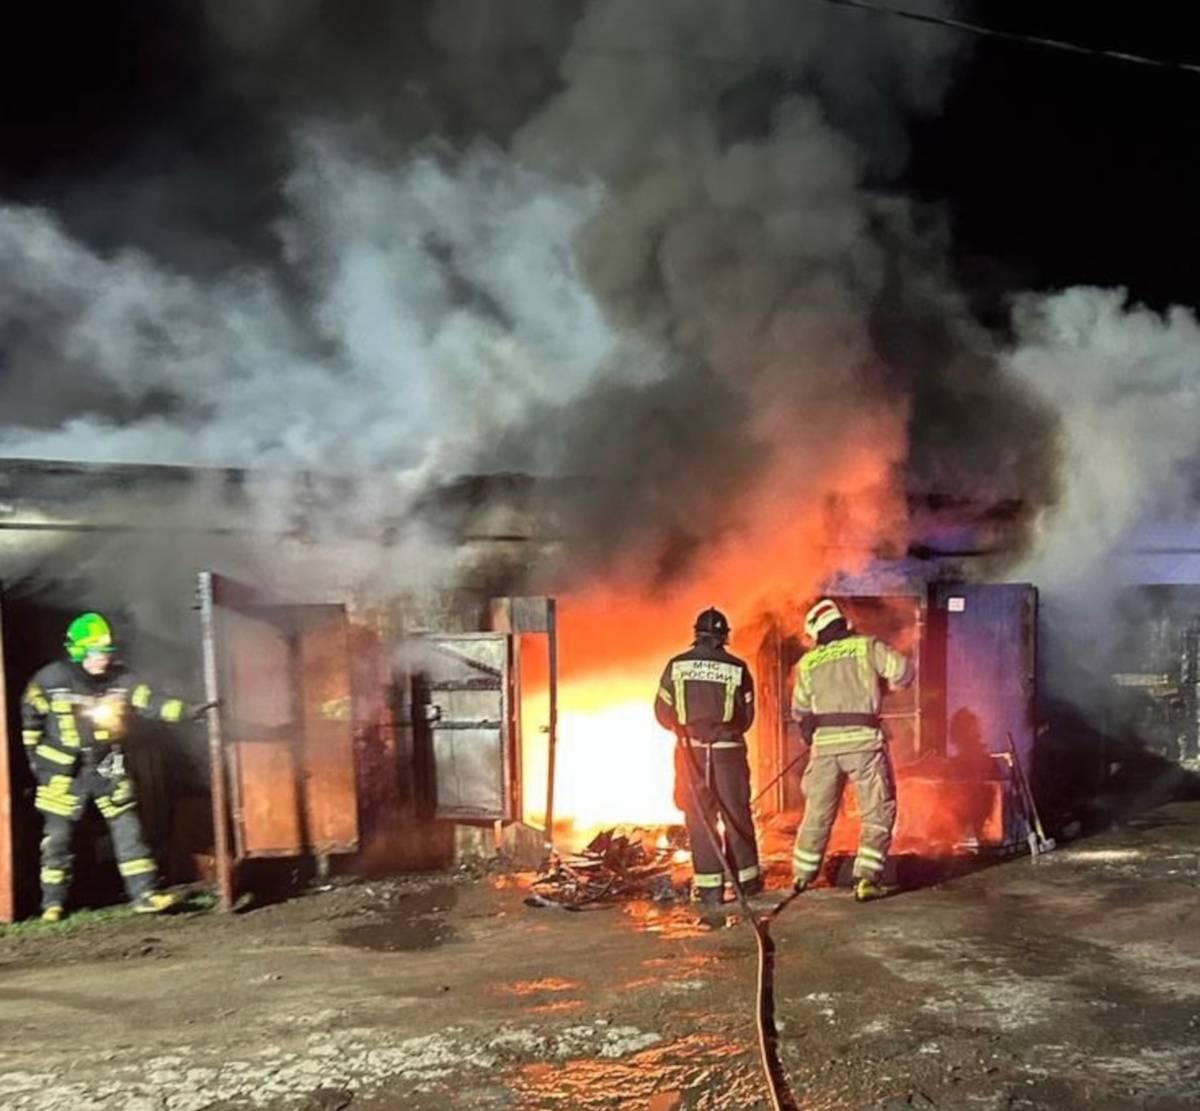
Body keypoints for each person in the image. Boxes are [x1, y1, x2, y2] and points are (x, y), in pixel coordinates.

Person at [21, 612, 209, 922]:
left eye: (106, 652)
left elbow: (151, 703)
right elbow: (30, 719)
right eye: (95, 652)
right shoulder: (50, 679)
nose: (102, 659)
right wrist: (38, 762)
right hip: (62, 773)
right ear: (78, 651)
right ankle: (52, 905)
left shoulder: (123, 679)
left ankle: (144, 895)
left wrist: (188, 711)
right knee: (58, 838)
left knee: (128, 829)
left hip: (108, 765)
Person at [791, 598, 913, 902]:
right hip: (864, 744)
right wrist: (886, 686)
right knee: (877, 810)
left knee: (817, 813)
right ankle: (867, 879)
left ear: (815, 631)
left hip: (825, 749)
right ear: (841, 621)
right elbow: (903, 671)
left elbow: (800, 710)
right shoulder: (866, 646)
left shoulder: (808, 663)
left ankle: (802, 876)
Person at [654, 607, 761, 907]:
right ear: (724, 637)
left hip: (691, 753)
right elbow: (746, 716)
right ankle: (746, 882)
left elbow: (662, 712)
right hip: (729, 752)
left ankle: (711, 890)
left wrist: (687, 730)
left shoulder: (676, 665)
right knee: (736, 814)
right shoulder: (737, 668)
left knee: (699, 818)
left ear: (697, 634)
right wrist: (724, 732)